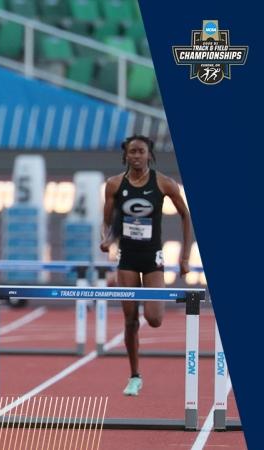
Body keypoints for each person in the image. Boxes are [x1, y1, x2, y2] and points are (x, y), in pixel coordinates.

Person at [100, 135, 192, 396]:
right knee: (130, 321)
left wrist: (185, 256)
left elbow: (186, 215)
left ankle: (149, 311)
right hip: (127, 258)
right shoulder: (114, 184)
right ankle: (134, 376)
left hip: (152, 257)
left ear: (149, 154)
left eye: (141, 151)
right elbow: (107, 222)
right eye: (132, 152)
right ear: (126, 155)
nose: (136, 156)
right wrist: (106, 240)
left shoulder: (164, 183)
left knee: (154, 319)